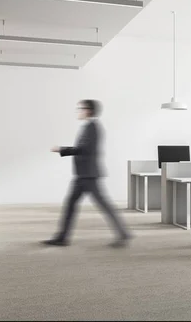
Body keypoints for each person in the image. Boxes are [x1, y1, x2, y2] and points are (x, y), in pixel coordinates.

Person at [42, 99, 130, 248]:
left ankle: (123, 234)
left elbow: (84, 149)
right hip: (84, 174)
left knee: (101, 205)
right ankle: (62, 237)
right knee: (73, 205)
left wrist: (62, 149)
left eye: (81, 108)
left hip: (88, 175)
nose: (78, 111)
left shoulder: (93, 127)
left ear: (89, 110)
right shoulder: (89, 126)